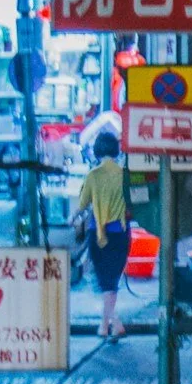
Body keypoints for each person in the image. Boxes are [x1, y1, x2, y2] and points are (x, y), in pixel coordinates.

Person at [77, 129, 130, 341]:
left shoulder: (93, 175)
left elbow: (82, 205)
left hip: (97, 233)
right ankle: (110, 324)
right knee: (111, 280)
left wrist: (72, 220)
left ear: (97, 150)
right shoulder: (124, 174)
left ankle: (108, 324)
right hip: (120, 234)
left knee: (104, 281)